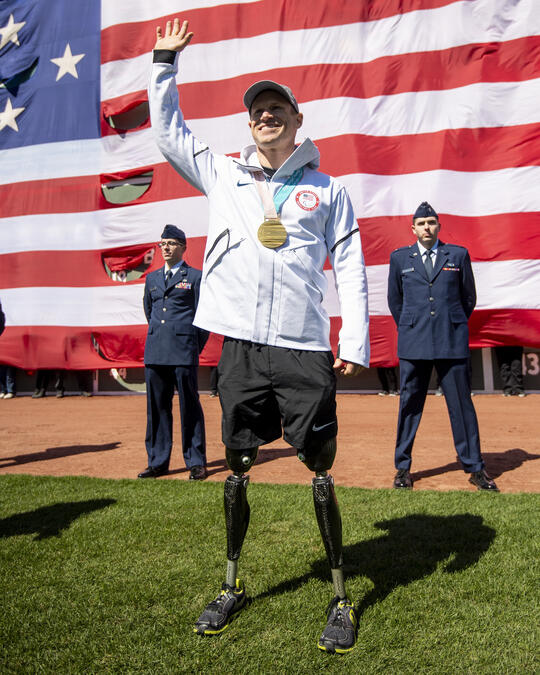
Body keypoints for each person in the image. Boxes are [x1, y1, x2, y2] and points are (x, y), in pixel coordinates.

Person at [149, 19, 370, 654]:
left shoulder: (328, 190)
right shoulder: (222, 174)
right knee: (238, 465)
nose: (265, 117)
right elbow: (169, 132)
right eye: (257, 112)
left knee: (319, 466)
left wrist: (354, 340)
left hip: (303, 345)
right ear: (249, 125)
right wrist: (163, 63)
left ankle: (340, 596)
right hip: (241, 345)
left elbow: (351, 266)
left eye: (277, 110)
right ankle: (231, 584)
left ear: (298, 121)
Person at [387, 201, 498, 492]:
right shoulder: (400, 258)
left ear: (438, 226)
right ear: (413, 229)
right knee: (409, 406)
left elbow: (468, 298)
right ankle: (402, 468)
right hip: (414, 342)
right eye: (421, 224)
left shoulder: (458, 255)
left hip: (451, 340)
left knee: (461, 406)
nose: (427, 227)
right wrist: (413, 326)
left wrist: (451, 322)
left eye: (431, 223)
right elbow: (395, 301)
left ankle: (475, 467)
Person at [138, 224, 209, 481]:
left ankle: (196, 462)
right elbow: (149, 311)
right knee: (157, 409)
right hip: (156, 351)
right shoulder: (152, 279)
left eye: (170, 243)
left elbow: (203, 317)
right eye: (163, 244)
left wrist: (192, 344)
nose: (165, 248)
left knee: (189, 407)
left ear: (182, 247)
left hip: (183, 351)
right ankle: (157, 462)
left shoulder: (196, 277)